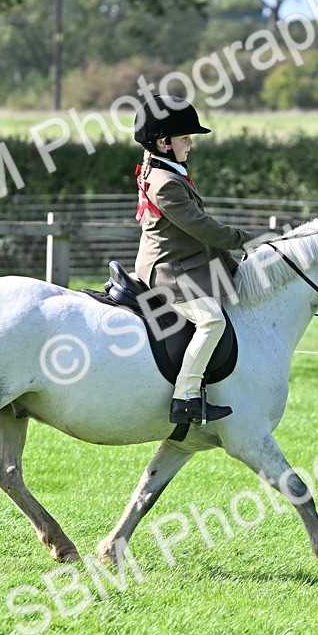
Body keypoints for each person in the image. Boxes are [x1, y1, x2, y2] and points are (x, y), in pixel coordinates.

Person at [133, 95, 257, 425]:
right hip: (167, 269)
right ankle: (185, 399)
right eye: (185, 138)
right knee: (211, 319)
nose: (190, 144)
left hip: (182, 260)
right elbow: (202, 227)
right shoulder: (165, 183)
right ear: (163, 142)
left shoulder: (166, 168)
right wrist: (242, 238)